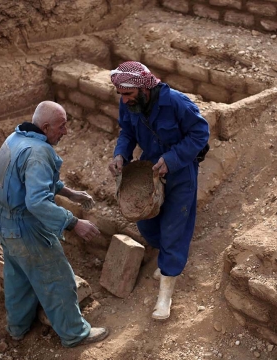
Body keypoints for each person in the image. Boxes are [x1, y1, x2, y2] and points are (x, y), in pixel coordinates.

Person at [0, 101, 109, 347]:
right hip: (26, 228)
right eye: (61, 126)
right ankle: (75, 334)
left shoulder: (17, 138)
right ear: (45, 127)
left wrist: (70, 193)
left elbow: (29, 181)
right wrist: (73, 222)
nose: (65, 131)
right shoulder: (38, 152)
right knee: (57, 279)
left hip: (4, 222)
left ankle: (17, 328)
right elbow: (37, 203)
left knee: (18, 278)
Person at [108, 61, 210, 320]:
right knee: (147, 225)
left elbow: (200, 134)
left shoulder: (177, 103)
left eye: (128, 94)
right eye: (121, 95)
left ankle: (165, 293)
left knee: (175, 228)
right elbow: (127, 133)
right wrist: (121, 154)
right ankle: (167, 260)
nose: (125, 99)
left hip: (180, 173)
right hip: (148, 171)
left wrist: (173, 159)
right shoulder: (128, 103)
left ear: (144, 89)